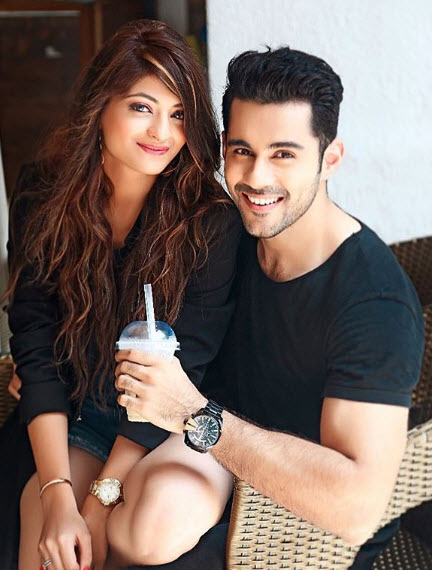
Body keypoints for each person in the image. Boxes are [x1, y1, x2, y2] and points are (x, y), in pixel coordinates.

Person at [112, 47, 425, 570]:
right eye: (242, 151)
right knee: (126, 528)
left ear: (330, 159)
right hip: (211, 466)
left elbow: (354, 509)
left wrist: (194, 414)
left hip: (302, 524)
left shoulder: (375, 304)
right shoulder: (229, 235)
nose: (256, 178)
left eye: (283, 154)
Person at [3, 19, 241, 570]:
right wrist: (59, 497)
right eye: (141, 107)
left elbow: (189, 365)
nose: (162, 131)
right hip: (81, 408)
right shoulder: (43, 192)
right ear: (100, 106)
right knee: (53, 543)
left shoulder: (210, 221)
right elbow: (35, 343)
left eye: (178, 114)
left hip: (171, 421)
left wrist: (100, 497)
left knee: (118, 533)